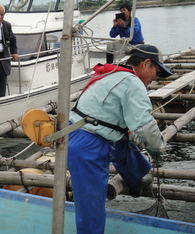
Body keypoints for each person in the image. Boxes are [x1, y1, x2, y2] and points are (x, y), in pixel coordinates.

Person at [67, 44, 173, 234]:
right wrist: (159, 146)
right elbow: (145, 125)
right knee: (91, 206)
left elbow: (125, 124)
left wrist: (139, 139)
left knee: (126, 141)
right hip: (88, 142)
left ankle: (137, 177)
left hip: (80, 131)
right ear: (146, 63)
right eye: (156, 72)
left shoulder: (114, 74)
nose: (155, 78)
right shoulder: (133, 83)